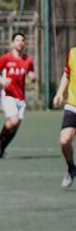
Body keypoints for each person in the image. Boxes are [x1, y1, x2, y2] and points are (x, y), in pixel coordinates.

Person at [0, 32, 36, 159]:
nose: (20, 43)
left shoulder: (28, 60)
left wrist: (33, 77)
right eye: (17, 40)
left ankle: (1, 149)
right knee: (14, 120)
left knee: (15, 127)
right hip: (8, 95)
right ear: (12, 43)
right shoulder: (6, 58)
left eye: (22, 40)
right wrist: (2, 80)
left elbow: (31, 73)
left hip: (21, 97)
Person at [52, 45, 76, 189]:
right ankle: (71, 168)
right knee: (64, 141)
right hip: (73, 105)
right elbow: (67, 74)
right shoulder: (72, 53)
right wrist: (60, 93)